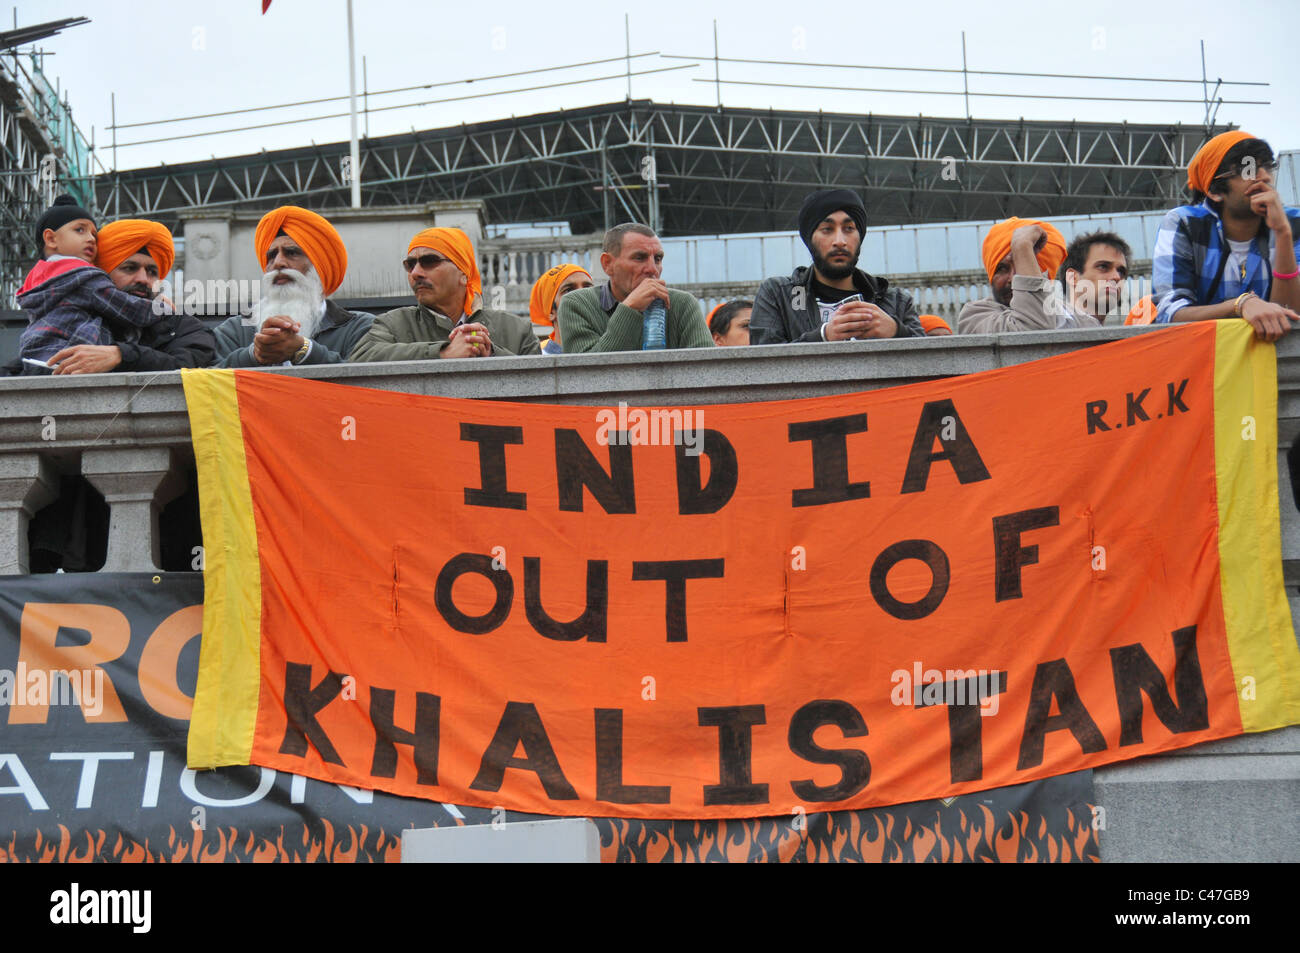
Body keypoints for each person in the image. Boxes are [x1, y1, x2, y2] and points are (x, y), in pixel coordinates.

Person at [1153, 131, 1300, 340]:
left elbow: (1290, 316)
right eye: (1248, 170)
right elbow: (1171, 313)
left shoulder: (1294, 223)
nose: (1265, 177)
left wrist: (1283, 233)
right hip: (1203, 360)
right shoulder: (1184, 223)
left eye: (1267, 166)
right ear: (1215, 191)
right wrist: (1240, 304)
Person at [37, 219, 215, 374]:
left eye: (152, 272)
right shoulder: (72, 317)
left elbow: (189, 367)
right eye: (130, 268)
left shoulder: (181, 326)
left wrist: (121, 355)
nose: (143, 279)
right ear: (100, 272)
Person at [749, 189, 922, 345]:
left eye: (849, 228)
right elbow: (764, 364)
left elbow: (932, 363)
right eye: (827, 229)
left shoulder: (895, 300)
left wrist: (896, 331)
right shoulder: (784, 294)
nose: (839, 241)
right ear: (810, 239)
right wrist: (823, 336)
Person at [17, 195, 173, 365]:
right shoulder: (84, 277)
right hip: (67, 357)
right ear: (51, 239)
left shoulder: (36, 278)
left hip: (32, 353)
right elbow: (126, 307)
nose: (91, 238)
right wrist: (161, 308)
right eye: (80, 230)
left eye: (93, 233)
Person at [212, 206, 372, 367]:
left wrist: (305, 351)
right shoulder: (234, 331)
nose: (278, 263)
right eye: (271, 255)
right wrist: (253, 355)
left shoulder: (359, 328)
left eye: (292, 253)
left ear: (319, 267)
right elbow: (202, 383)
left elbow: (370, 384)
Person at [351, 227, 540, 360]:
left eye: (429, 261)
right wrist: (442, 352)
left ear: (463, 275)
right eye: (410, 264)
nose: (415, 272)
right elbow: (359, 360)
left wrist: (489, 352)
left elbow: (539, 388)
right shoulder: (392, 324)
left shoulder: (517, 330)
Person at [557, 223, 712, 352]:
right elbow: (588, 375)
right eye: (639, 258)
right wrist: (629, 309)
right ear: (607, 264)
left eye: (657, 259)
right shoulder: (577, 304)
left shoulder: (683, 304)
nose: (652, 269)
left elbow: (706, 371)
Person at [957, 217, 1070, 334]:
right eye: (1002, 269)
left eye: (1024, 268)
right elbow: (1035, 333)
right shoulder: (975, 317)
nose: (1013, 279)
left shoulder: (1074, 316)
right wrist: (1022, 246)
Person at [1061, 231, 1131, 326]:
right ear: (1073, 277)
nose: (1117, 277)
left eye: (1121, 271)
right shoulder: (1052, 320)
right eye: (1103, 267)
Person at [529, 264, 594, 355]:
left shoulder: (612, 346)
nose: (582, 295)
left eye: (587, 288)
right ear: (551, 312)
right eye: (569, 290)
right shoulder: (536, 360)